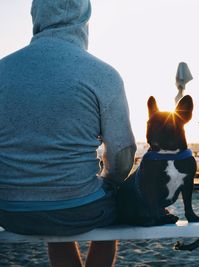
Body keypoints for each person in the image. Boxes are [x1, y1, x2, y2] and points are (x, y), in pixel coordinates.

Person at [0, 0, 136, 266]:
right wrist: (108, 181)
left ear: (35, 15)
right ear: (84, 18)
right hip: (78, 210)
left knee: (57, 203)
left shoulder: (3, 70)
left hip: (9, 211)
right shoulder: (103, 75)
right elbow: (123, 155)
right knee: (113, 203)